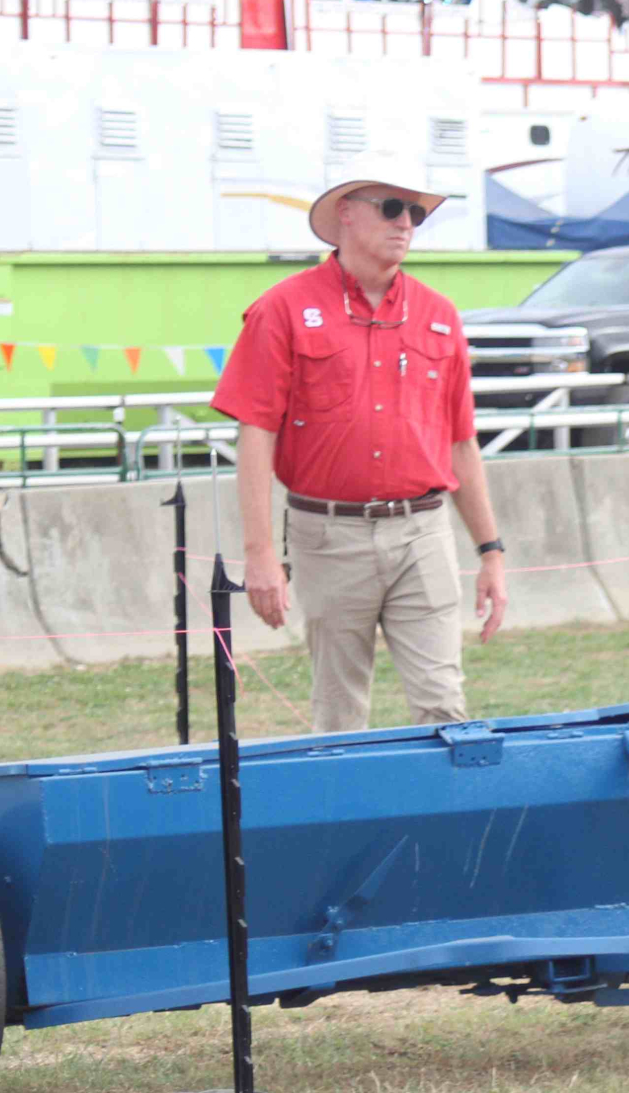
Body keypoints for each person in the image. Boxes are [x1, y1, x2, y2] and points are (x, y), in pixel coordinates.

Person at [211, 169, 510, 734]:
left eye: (416, 214)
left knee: (444, 707)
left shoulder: (439, 314)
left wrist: (490, 551)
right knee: (340, 714)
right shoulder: (283, 309)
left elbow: (461, 442)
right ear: (346, 212)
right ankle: (353, 822)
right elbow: (255, 433)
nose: (405, 224)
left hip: (423, 529)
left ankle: (443, 821)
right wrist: (258, 555)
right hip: (327, 534)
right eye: (393, 207)